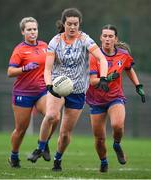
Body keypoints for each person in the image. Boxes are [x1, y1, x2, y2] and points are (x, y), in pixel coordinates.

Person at [28, 8, 109, 171]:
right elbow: (47, 69)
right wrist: (49, 85)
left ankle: (57, 160)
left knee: (65, 133)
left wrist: (104, 77)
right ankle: (40, 148)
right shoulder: (55, 42)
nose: (72, 27)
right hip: (58, 86)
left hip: (78, 90)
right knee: (51, 115)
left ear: (79, 25)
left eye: (75, 24)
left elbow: (102, 58)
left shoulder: (85, 39)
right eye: (69, 24)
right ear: (63, 24)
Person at [86, 24, 146, 172]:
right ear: (100, 38)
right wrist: (105, 78)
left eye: (110, 36)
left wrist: (138, 86)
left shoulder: (123, 54)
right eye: (105, 36)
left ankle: (117, 144)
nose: (107, 39)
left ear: (115, 38)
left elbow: (129, 69)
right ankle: (104, 161)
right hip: (96, 100)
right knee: (99, 139)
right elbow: (92, 81)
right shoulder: (94, 55)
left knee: (118, 125)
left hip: (115, 97)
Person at [7, 17, 58, 168]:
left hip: (42, 91)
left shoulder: (44, 45)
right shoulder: (19, 50)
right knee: (21, 130)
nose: (32, 32)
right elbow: (10, 72)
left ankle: (44, 143)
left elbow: (52, 63)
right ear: (23, 32)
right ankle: (14, 156)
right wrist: (24, 68)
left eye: (34, 29)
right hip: (23, 93)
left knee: (54, 116)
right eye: (29, 29)